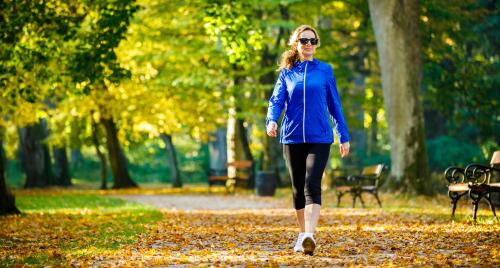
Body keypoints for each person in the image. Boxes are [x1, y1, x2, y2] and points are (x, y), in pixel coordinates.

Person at [266, 25, 350, 256]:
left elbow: (334, 105)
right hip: (292, 137)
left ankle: (309, 235)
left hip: (320, 137)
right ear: (296, 43)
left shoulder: (325, 70)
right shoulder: (287, 72)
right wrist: (272, 121)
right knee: (297, 189)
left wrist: (343, 135)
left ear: (317, 44)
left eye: (313, 41)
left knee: (312, 184)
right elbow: (276, 100)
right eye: (304, 40)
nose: (309, 44)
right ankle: (303, 234)